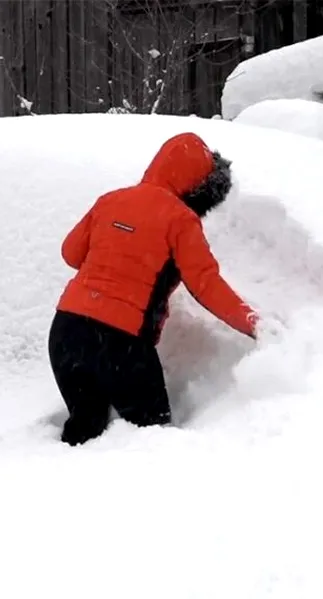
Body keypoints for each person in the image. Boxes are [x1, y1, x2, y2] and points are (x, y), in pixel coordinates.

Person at [48, 132, 259, 446]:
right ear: (200, 187)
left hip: (66, 332)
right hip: (121, 344)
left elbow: (70, 253)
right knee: (152, 442)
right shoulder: (181, 219)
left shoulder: (111, 200)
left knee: (85, 430)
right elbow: (205, 284)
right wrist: (254, 323)